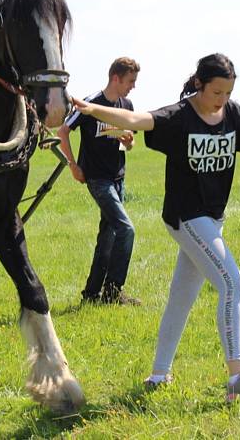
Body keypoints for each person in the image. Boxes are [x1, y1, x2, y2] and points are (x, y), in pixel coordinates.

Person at [71, 53, 240, 402]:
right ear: (199, 84)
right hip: (186, 217)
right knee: (233, 284)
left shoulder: (232, 114)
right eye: (216, 92)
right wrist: (91, 109)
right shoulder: (180, 116)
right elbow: (134, 119)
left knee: (181, 298)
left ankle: (159, 374)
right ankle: (239, 376)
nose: (221, 99)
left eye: (227, 92)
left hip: (211, 219)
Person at [57, 57, 141, 306]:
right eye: (130, 81)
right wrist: (72, 166)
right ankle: (113, 293)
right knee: (126, 229)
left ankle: (92, 295)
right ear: (116, 78)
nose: (133, 86)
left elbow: (131, 140)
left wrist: (129, 142)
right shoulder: (91, 103)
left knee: (109, 236)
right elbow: (63, 132)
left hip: (118, 177)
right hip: (97, 179)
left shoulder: (126, 104)